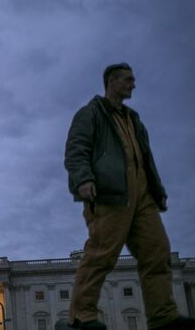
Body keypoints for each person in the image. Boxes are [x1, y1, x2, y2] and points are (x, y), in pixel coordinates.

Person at [64, 63, 195, 330]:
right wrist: (84, 179)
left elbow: (143, 159)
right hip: (110, 194)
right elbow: (77, 149)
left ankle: (163, 315)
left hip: (142, 196)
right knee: (101, 254)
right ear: (111, 82)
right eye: (128, 79)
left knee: (158, 251)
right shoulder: (90, 114)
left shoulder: (134, 119)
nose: (133, 84)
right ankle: (82, 316)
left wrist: (157, 191)